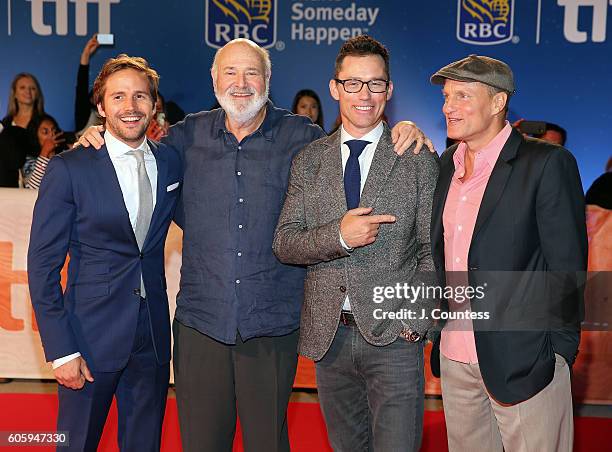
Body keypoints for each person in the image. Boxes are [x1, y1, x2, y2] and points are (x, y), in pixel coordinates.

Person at [78, 38, 432, 452]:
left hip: (271, 325)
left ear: (267, 80)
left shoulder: (303, 139)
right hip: (201, 323)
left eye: (252, 73)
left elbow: (358, 139)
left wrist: (403, 129)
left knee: (268, 442)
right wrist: (98, 136)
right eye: (230, 72)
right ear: (214, 79)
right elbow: (134, 150)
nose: (241, 83)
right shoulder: (184, 139)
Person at [273, 35, 439, 452]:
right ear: (335, 88)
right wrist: (339, 237)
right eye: (353, 83)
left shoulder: (416, 156)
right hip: (331, 340)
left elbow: (431, 250)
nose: (365, 95)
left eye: (375, 83)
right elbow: (285, 243)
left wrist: (416, 325)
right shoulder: (309, 161)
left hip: (395, 340)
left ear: (389, 90)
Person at [428, 55, 587, 452]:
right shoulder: (445, 164)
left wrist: (559, 354)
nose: (448, 106)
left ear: (498, 102)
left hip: (527, 359)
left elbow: (567, 265)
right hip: (455, 355)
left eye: (462, 96)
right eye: (447, 96)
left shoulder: (547, 162)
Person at [28, 54, 183, 451]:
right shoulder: (70, 169)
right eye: (118, 98)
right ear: (101, 106)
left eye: (140, 97)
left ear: (154, 104)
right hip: (88, 337)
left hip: (150, 337)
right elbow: (42, 267)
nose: (130, 108)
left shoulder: (170, 162)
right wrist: (61, 349)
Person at [0, 73, 44, 187]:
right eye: (22, 87)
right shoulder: (5, 124)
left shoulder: (46, 123)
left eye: (32, 88)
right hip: (8, 188)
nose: (28, 91)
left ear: (37, 93)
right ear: (14, 93)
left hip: (36, 183)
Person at [25, 113, 66, 189]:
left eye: (54, 130)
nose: (52, 135)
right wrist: (44, 153)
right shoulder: (29, 161)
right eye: (45, 132)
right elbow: (31, 189)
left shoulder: (65, 155)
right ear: (35, 135)